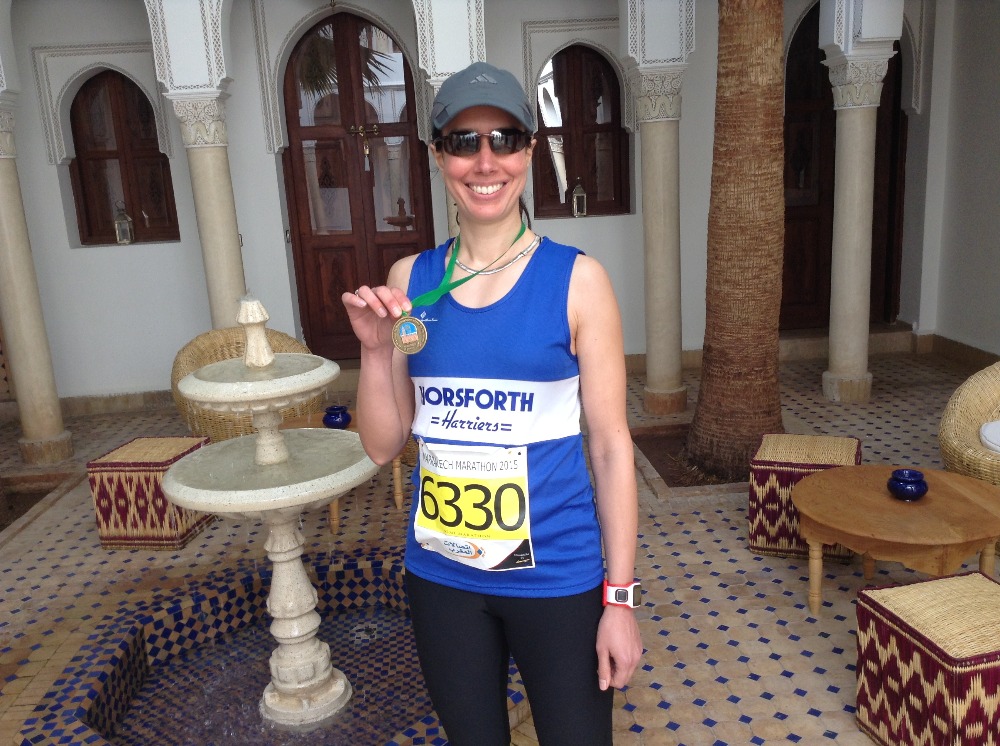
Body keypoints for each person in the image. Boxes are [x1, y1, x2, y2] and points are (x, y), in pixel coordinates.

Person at [342, 61, 642, 746]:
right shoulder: (411, 280)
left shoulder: (579, 281)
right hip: (442, 577)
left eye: (504, 139)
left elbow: (609, 446)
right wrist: (373, 351)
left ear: (530, 151)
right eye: (463, 141)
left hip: (557, 577)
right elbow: (383, 446)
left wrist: (619, 600)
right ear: (438, 156)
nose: (485, 161)